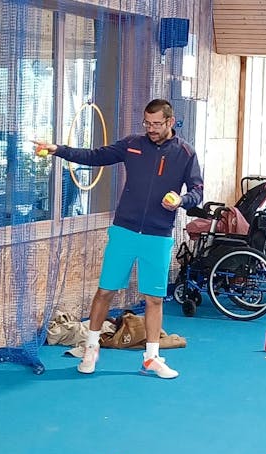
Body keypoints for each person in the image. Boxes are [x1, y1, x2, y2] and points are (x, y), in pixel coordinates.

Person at [43, 99, 204, 379]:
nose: (150, 129)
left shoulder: (186, 153)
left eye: (156, 124)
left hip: (158, 236)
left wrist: (181, 200)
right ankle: (91, 348)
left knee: (154, 299)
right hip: (124, 232)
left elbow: (197, 191)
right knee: (105, 292)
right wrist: (58, 150)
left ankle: (152, 358)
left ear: (170, 121)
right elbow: (94, 156)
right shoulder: (132, 144)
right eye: (147, 123)